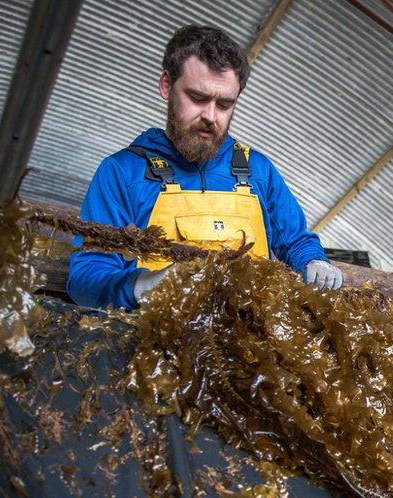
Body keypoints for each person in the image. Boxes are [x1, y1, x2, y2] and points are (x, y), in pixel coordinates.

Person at [68, 25, 342, 310]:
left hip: (249, 345)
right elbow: (85, 277)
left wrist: (314, 262)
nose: (210, 116)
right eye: (198, 98)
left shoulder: (257, 171)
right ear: (166, 85)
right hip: (155, 344)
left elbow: (296, 242)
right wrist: (145, 285)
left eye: (224, 104)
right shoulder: (123, 173)